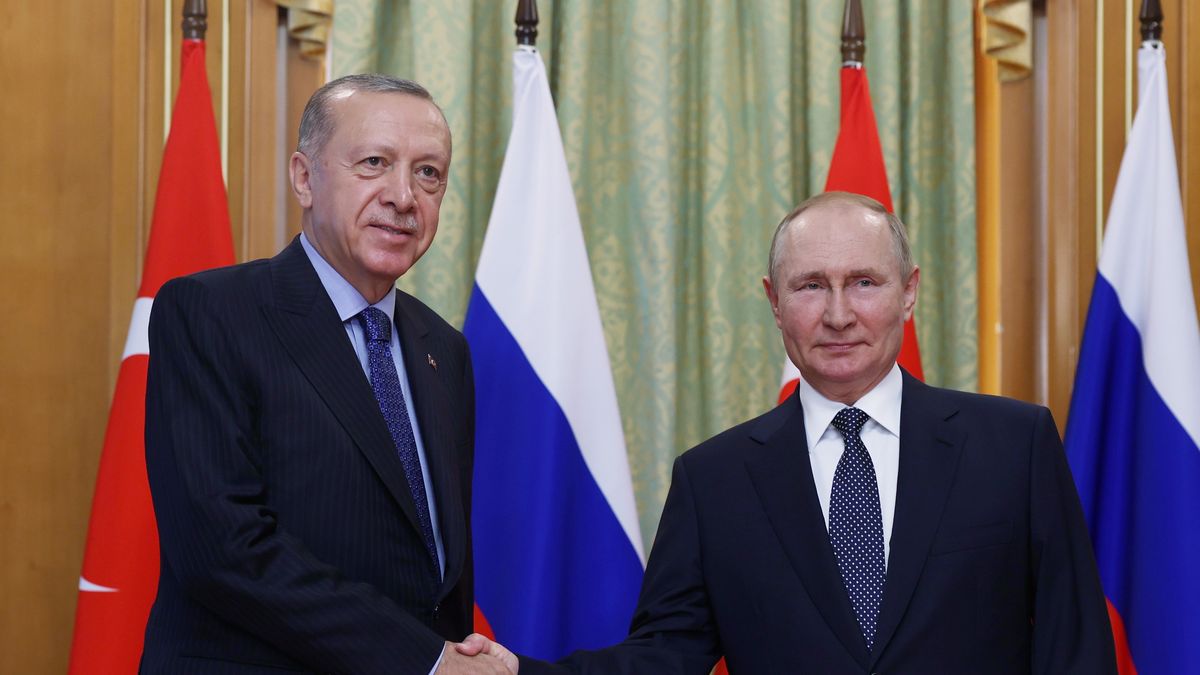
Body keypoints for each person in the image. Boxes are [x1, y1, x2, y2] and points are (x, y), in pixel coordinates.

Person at [464, 191, 1117, 674]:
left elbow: (1075, 648)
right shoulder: (713, 480)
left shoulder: (1014, 445)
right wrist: (523, 672)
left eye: (864, 282)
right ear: (775, 300)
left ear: (909, 292)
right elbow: (665, 657)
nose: (838, 314)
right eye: (811, 286)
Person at [141, 74, 510, 674]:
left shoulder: (443, 348)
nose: (403, 196)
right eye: (374, 162)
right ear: (305, 178)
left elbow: (434, 566)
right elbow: (223, 550)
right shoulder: (211, 312)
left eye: (428, 173)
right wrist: (426, 661)